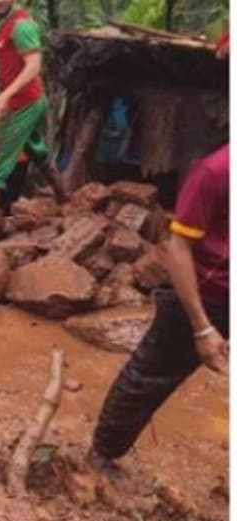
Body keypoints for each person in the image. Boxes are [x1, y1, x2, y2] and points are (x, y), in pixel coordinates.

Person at [88, 142, 229, 473]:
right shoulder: (216, 171)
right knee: (150, 378)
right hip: (205, 294)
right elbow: (178, 248)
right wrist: (202, 327)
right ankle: (101, 457)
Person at [0, 0, 67, 235]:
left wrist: (3, 96)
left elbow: (34, 65)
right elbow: (17, 61)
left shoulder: (21, 25)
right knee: (38, 152)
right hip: (29, 99)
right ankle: (66, 201)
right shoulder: (4, 24)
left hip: (22, 103)